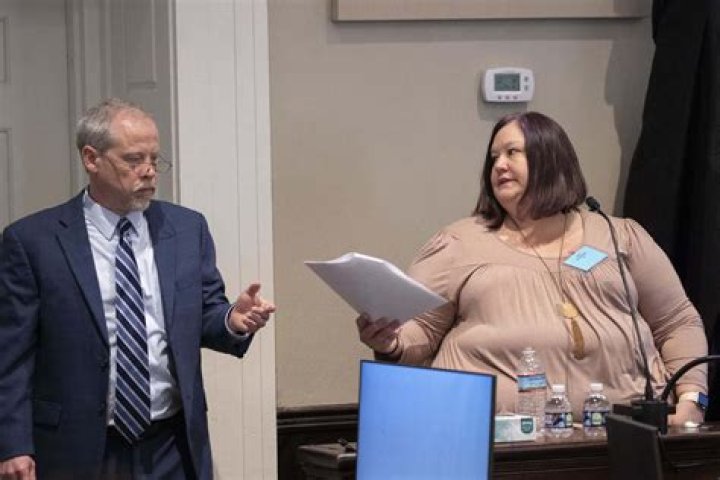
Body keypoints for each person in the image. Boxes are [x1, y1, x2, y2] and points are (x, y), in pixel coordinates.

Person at [357, 111, 707, 426]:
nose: (499, 165)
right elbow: (419, 330)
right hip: (500, 442)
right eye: (494, 157)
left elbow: (678, 322)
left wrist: (692, 400)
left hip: (623, 436)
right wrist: (390, 341)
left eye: (512, 152)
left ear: (552, 160)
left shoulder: (619, 235)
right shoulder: (458, 243)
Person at [0, 98, 276, 479]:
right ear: (91, 159)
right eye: (134, 160)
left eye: (154, 159)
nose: (148, 171)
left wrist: (233, 320)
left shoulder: (187, 229)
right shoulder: (33, 241)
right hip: (76, 447)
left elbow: (205, 313)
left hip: (170, 445)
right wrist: (12, 444)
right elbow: (11, 356)